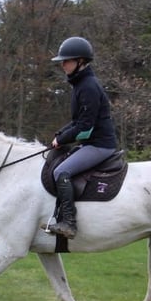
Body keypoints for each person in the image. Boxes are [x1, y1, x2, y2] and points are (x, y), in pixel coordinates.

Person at [45, 36, 118, 239]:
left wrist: (62, 140)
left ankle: (69, 223)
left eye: (66, 60)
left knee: (62, 171)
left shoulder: (88, 86)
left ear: (81, 61)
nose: (62, 64)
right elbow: (78, 121)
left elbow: (85, 126)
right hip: (91, 142)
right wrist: (60, 135)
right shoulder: (81, 84)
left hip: (100, 145)